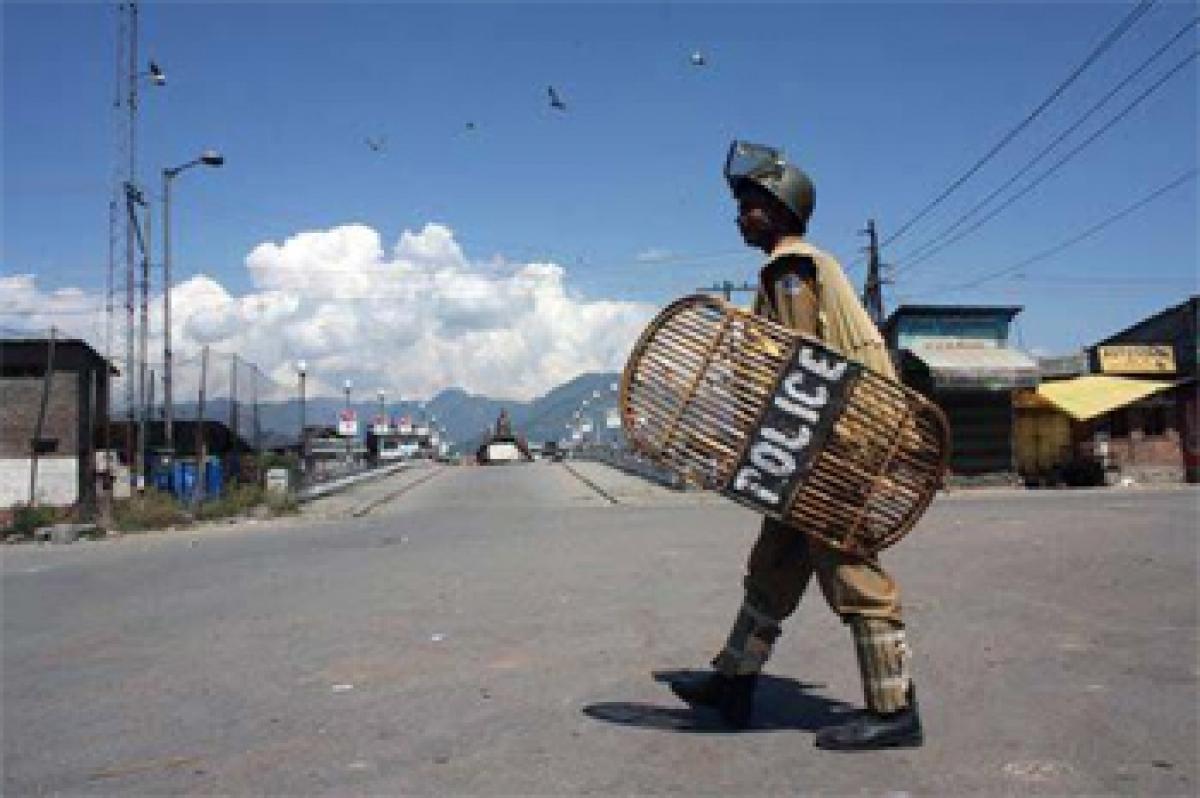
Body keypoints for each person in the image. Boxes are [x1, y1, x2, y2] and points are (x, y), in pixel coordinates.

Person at [666, 141, 924, 751]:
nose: (740, 217)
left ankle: (894, 710)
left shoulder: (791, 270)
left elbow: (803, 373)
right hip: (812, 450)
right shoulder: (796, 268)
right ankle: (735, 682)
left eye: (751, 205)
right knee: (772, 572)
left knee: (851, 568)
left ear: (780, 211)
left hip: (832, 448)